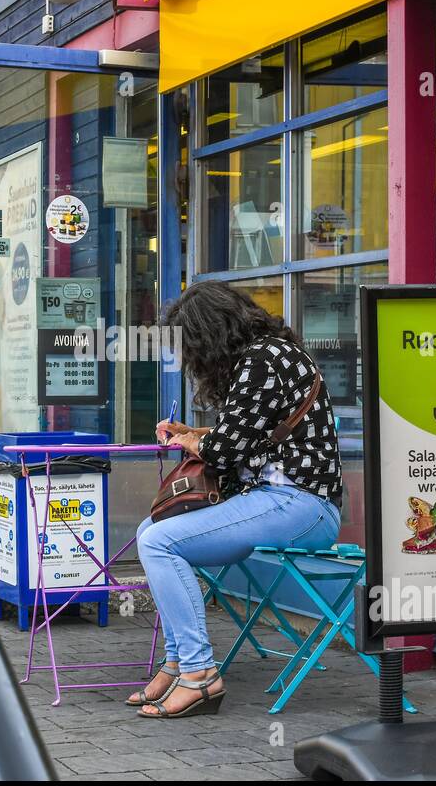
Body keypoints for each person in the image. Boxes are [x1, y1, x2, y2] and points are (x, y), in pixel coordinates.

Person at [129, 281, 342, 719]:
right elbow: (246, 436)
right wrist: (194, 435)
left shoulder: (262, 361)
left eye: (191, 345)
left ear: (209, 334)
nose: (191, 357)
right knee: (149, 530)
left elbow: (226, 452)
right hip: (279, 500)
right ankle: (177, 662)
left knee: (159, 542)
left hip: (301, 503)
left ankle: (200, 673)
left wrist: (189, 441)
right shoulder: (271, 352)